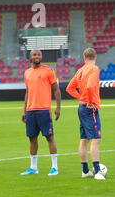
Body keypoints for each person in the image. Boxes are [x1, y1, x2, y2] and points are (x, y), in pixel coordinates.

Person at [21, 49, 61, 176]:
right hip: (30, 111)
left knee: (49, 137)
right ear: (30, 57)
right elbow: (27, 92)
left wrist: (58, 107)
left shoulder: (48, 71)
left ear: (41, 56)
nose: (37, 56)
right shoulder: (27, 72)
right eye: (34, 54)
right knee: (32, 139)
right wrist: (24, 110)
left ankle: (54, 167)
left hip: (44, 110)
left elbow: (56, 90)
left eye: (38, 54)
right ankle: (33, 167)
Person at [66, 48, 104, 180]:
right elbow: (89, 86)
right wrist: (89, 100)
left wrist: (80, 98)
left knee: (84, 139)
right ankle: (98, 172)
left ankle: (85, 171)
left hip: (81, 108)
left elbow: (69, 88)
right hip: (90, 108)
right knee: (96, 139)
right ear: (95, 57)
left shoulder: (80, 70)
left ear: (84, 58)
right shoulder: (94, 69)